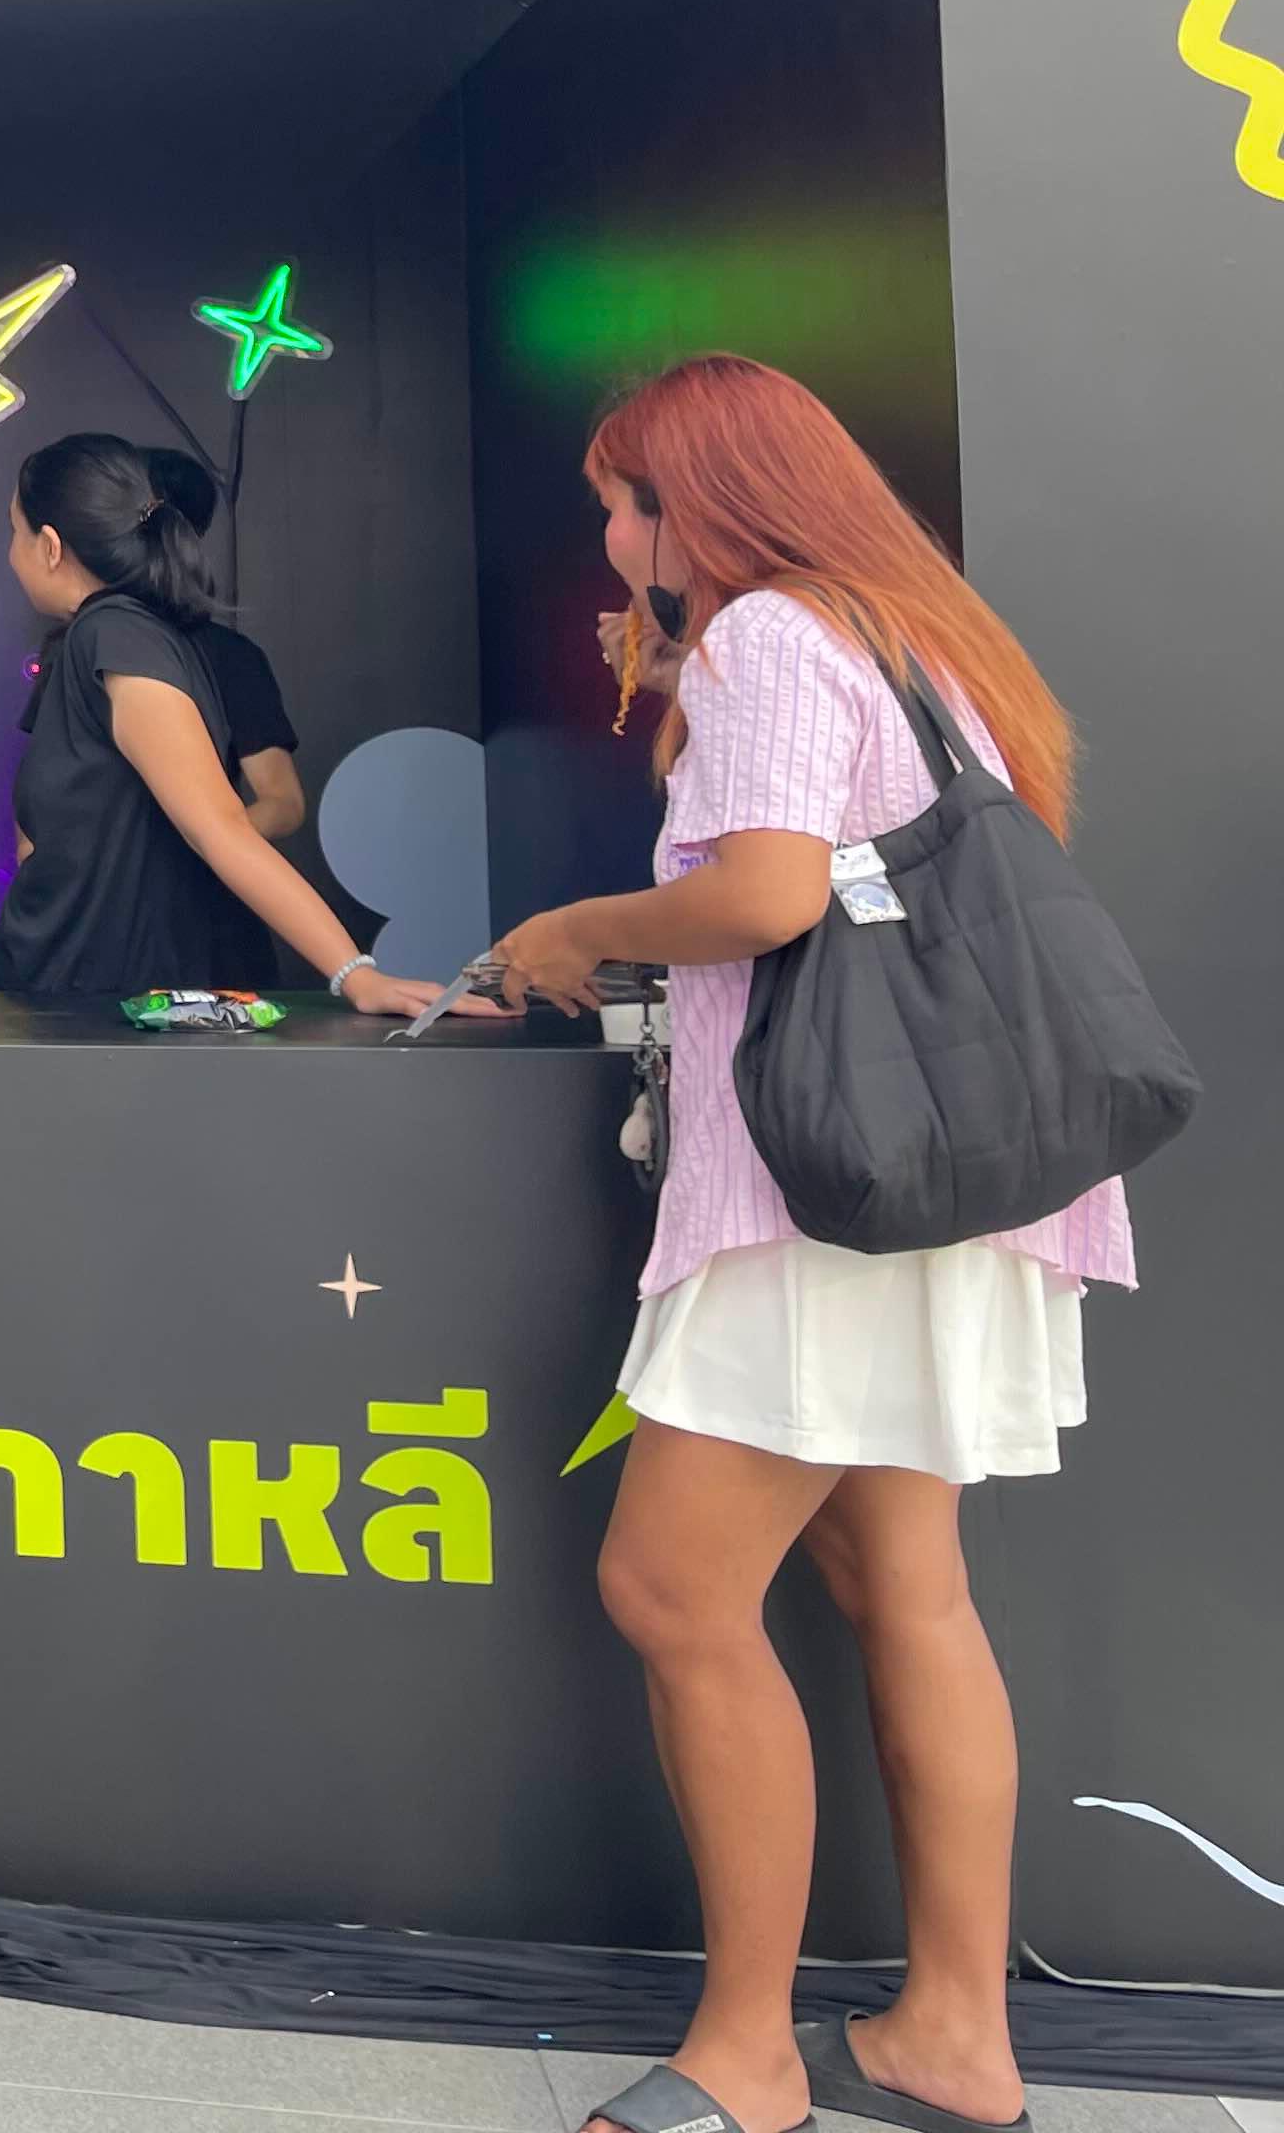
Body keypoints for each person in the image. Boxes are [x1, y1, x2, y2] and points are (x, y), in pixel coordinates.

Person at [489, 357, 1130, 2133]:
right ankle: (954, 2036)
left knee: (670, 1589)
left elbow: (769, 896)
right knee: (908, 1590)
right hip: (947, 1180)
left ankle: (747, 2055)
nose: (609, 541)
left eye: (621, 506)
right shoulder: (915, 637)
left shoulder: (768, 637)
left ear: (691, 506)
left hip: (812, 1194)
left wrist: (574, 928)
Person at [0, 432, 456, 1017]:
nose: (11, 554)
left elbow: (221, 828)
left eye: (15, 531)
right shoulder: (103, 638)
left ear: (51, 546)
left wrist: (355, 974)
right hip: (59, 986)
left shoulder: (115, 635)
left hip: (96, 999)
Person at [138, 446, 304, 840]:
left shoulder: (229, 658)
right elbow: (37, 801)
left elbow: (283, 802)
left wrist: (202, 848)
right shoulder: (72, 650)